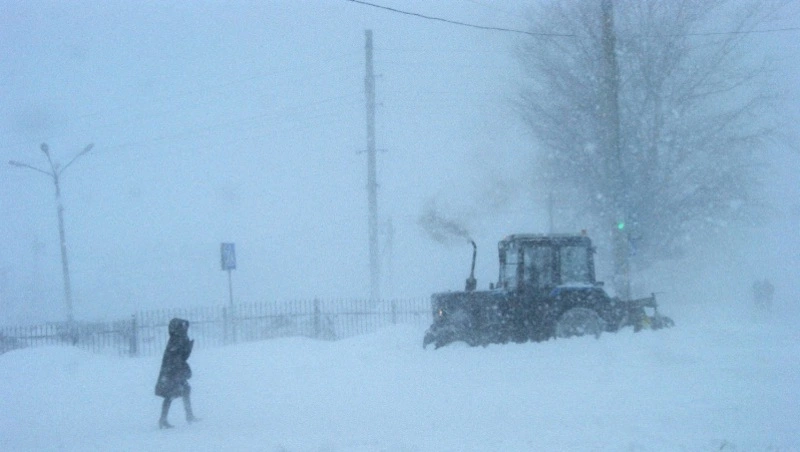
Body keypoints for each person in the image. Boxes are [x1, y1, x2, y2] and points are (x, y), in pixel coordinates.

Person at [155, 318, 199, 429]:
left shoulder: (180, 338)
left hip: (176, 370)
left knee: (185, 389)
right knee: (170, 394)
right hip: (172, 372)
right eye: (182, 326)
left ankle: (188, 415)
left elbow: (181, 356)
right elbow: (177, 356)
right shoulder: (176, 339)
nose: (185, 328)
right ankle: (163, 420)